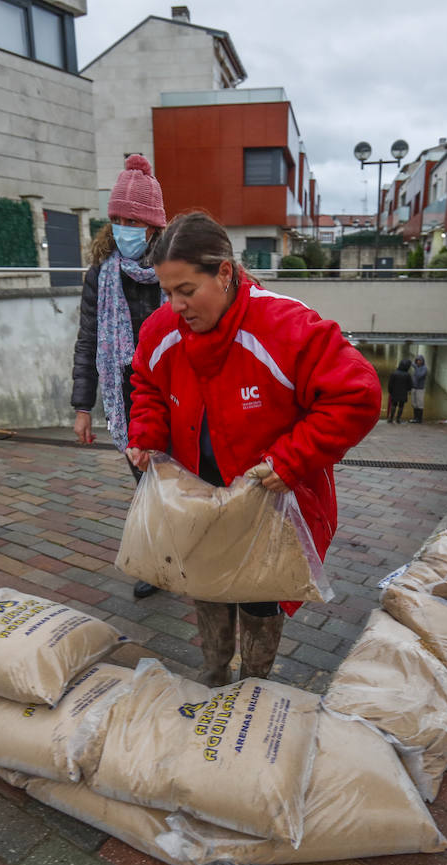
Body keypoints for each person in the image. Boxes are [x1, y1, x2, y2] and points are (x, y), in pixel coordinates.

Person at [126, 212, 380, 685]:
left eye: (186, 290)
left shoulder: (284, 325)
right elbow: (146, 383)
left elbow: (358, 394)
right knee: (207, 586)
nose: (176, 306)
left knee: (261, 597)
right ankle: (215, 671)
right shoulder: (162, 330)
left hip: (268, 501)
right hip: (198, 496)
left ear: (225, 273)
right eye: (167, 292)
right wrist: (145, 434)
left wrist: (292, 458)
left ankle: (255, 680)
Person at [71, 155, 168, 600]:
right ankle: (159, 565)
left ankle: (190, 553)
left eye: (134, 219)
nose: (125, 228)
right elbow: (88, 340)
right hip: (127, 394)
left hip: (176, 389)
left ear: (153, 225)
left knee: (185, 478)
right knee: (146, 481)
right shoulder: (102, 276)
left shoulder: (174, 266)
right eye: (117, 219)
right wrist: (82, 407)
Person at [386, 359, 413, 423]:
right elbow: (410, 385)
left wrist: (390, 391)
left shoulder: (394, 373)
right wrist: (408, 390)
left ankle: (391, 419)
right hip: (403, 393)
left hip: (394, 392)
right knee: (401, 406)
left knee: (394, 405)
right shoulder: (407, 375)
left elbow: (390, 384)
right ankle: (398, 419)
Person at [410, 354, 429, 422]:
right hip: (414, 388)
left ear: (422, 361)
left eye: (420, 360)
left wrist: (416, 367)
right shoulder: (416, 366)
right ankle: (415, 418)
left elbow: (419, 376)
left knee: (419, 404)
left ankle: (419, 419)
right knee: (414, 404)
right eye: (417, 360)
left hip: (420, 389)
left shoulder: (424, 368)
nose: (418, 362)